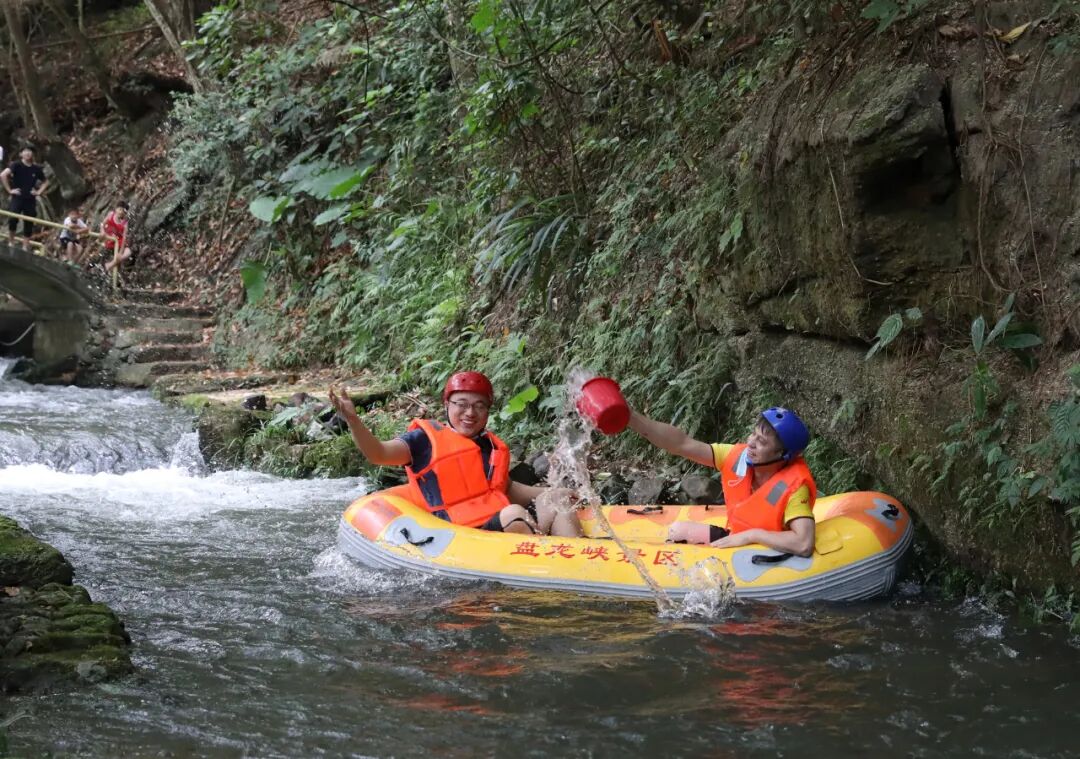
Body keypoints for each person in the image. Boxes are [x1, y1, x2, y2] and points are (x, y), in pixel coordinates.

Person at [329, 371, 583, 537]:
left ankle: (579, 564)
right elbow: (379, 454)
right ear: (447, 405)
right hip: (459, 534)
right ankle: (543, 563)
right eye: (461, 404)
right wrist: (354, 421)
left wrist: (555, 492)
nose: (470, 413)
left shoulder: (490, 446)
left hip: (499, 523)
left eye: (479, 406)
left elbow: (505, 488)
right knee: (514, 513)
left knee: (557, 499)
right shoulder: (423, 441)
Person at [626, 406, 817, 557]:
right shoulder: (736, 456)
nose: (751, 443)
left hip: (769, 552)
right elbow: (682, 444)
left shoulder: (794, 487)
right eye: (753, 434)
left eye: (762, 442)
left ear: (781, 454)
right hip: (737, 539)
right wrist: (631, 418)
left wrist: (752, 535)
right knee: (677, 531)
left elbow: (803, 544)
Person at [1, 146, 49, 243]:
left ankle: (25, 246)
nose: (28, 153)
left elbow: (46, 181)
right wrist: (9, 190)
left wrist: (39, 192)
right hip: (17, 196)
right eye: (25, 151)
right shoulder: (16, 165)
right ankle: (11, 242)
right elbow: (3, 175)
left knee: (29, 222)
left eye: (30, 151)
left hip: (30, 198)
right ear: (21, 154)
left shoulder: (36, 168)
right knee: (13, 218)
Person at [100, 201, 133, 272]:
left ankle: (109, 265)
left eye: (123, 211)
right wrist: (102, 231)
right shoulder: (111, 215)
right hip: (109, 238)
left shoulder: (124, 223)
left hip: (118, 242)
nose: (121, 212)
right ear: (116, 209)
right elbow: (102, 224)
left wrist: (120, 252)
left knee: (128, 252)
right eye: (120, 209)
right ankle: (108, 266)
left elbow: (124, 238)